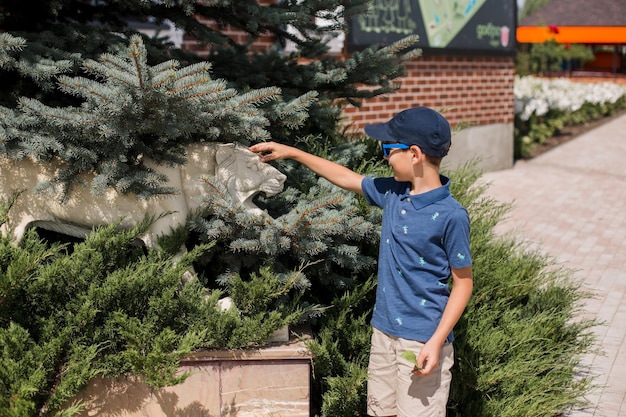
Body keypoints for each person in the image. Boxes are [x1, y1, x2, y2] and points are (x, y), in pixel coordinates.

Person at [249, 106, 473, 417]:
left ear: (414, 154)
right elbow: (346, 177)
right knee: (381, 411)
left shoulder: (452, 216)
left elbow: (463, 283)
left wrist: (436, 342)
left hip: (421, 340)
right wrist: (293, 152)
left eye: (387, 149)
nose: (384, 157)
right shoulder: (394, 194)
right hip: (383, 332)